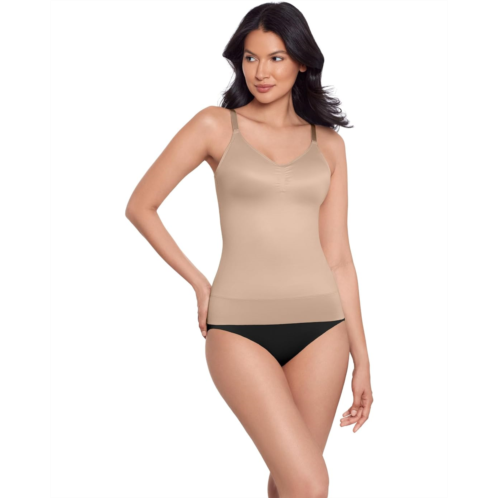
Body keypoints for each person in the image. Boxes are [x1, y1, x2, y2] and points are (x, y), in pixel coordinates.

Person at [125, 3, 373, 497]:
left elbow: (339, 258)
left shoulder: (328, 144)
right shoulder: (215, 126)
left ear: (301, 61)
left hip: (324, 330)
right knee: (310, 484)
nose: (261, 72)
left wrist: (362, 357)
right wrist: (200, 285)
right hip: (238, 329)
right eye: (250, 58)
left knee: (290, 484)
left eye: (276, 58)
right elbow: (141, 207)